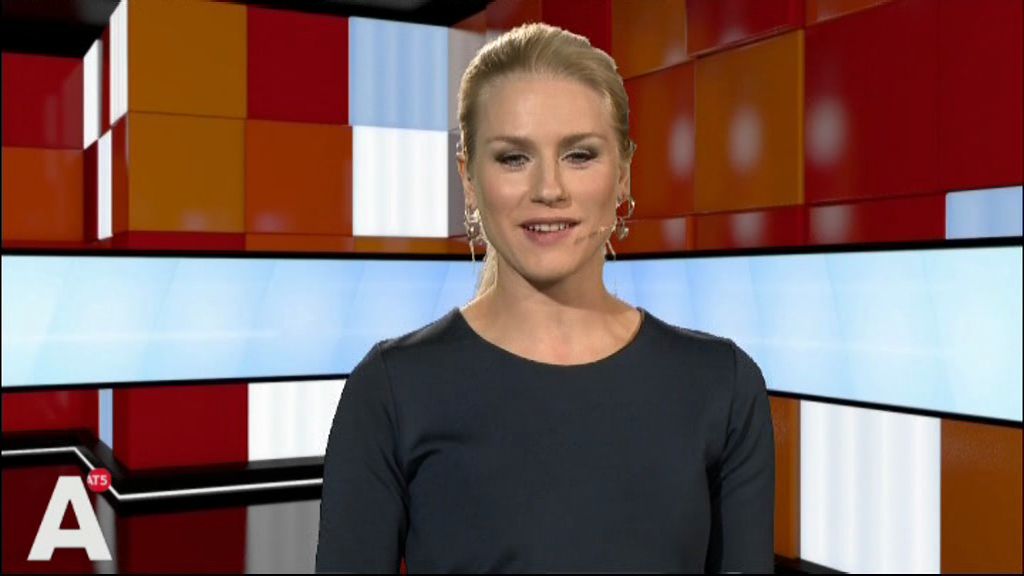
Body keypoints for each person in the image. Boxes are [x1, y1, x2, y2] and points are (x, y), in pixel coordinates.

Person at [316, 22, 775, 574]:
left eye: (579, 155)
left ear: (623, 174)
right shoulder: (390, 391)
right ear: (469, 179)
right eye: (514, 158)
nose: (549, 189)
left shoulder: (723, 386)